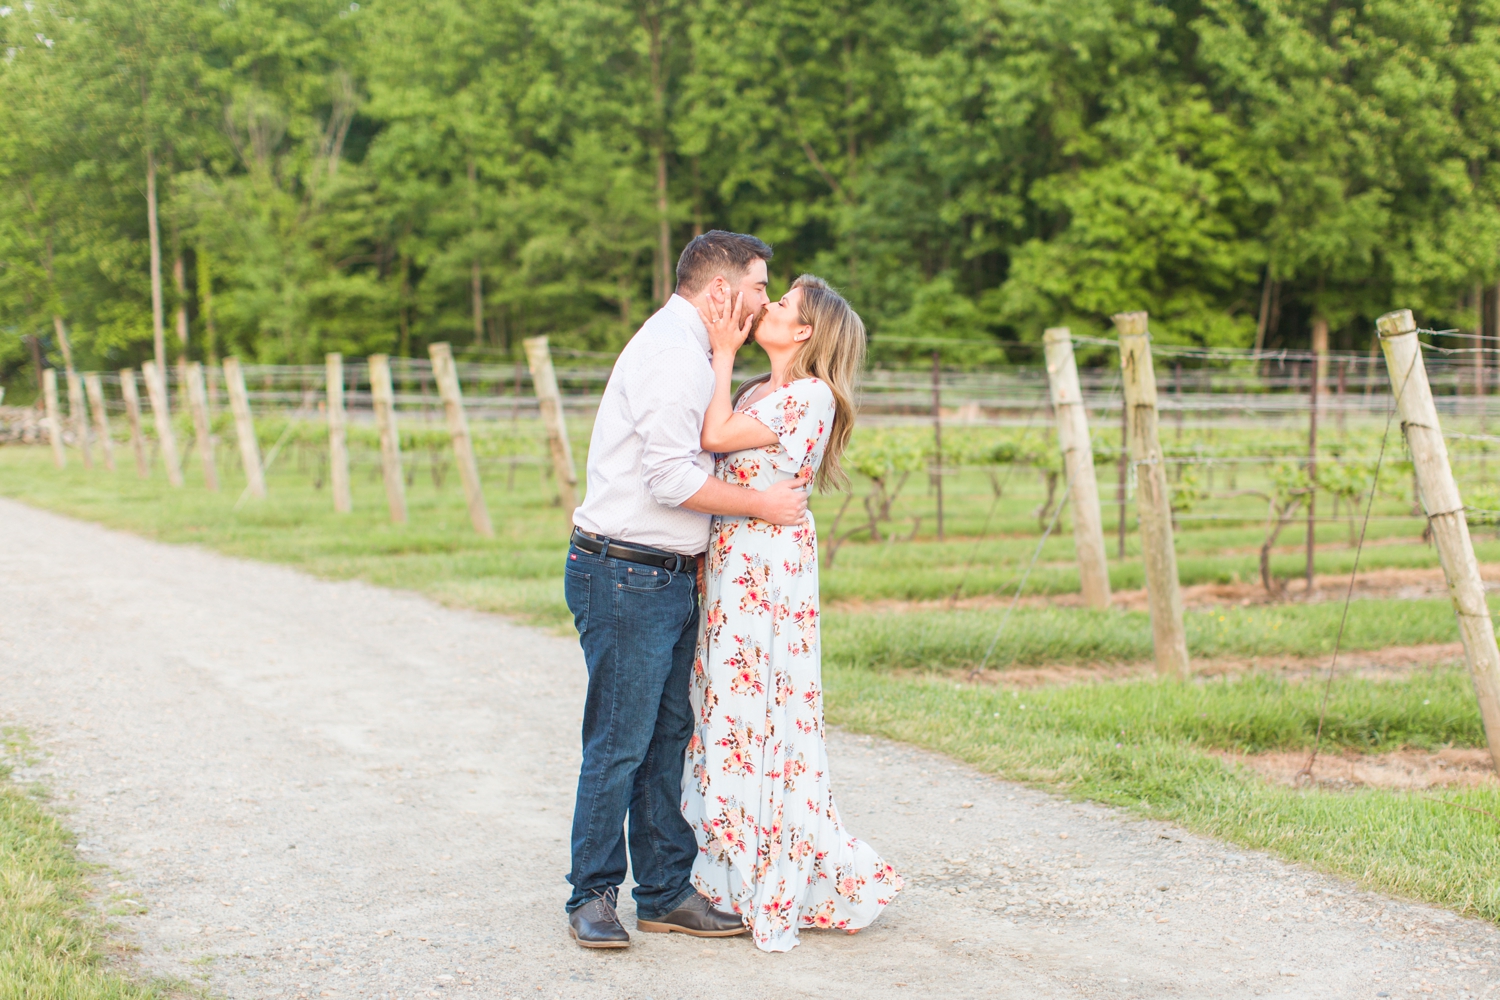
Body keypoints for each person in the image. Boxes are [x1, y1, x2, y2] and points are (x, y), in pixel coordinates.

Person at [563, 231, 811, 949]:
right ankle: (593, 892)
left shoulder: (700, 351)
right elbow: (670, 479)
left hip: (666, 573)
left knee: (668, 735)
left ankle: (666, 889)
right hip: (625, 572)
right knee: (620, 740)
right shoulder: (674, 357)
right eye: (760, 286)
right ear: (720, 292)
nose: (766, 299)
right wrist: (765, 509)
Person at [681, 274, 903, 952]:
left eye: (782, 305)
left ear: (804, 332)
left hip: (767, 570)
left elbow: (713, 432)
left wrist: (720, 349)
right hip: (731, 559)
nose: (768, 308)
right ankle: (723, 860)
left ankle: (767, 859)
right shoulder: (760, 392)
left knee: (764, 705)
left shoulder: (810, 396)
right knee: (722, 704)